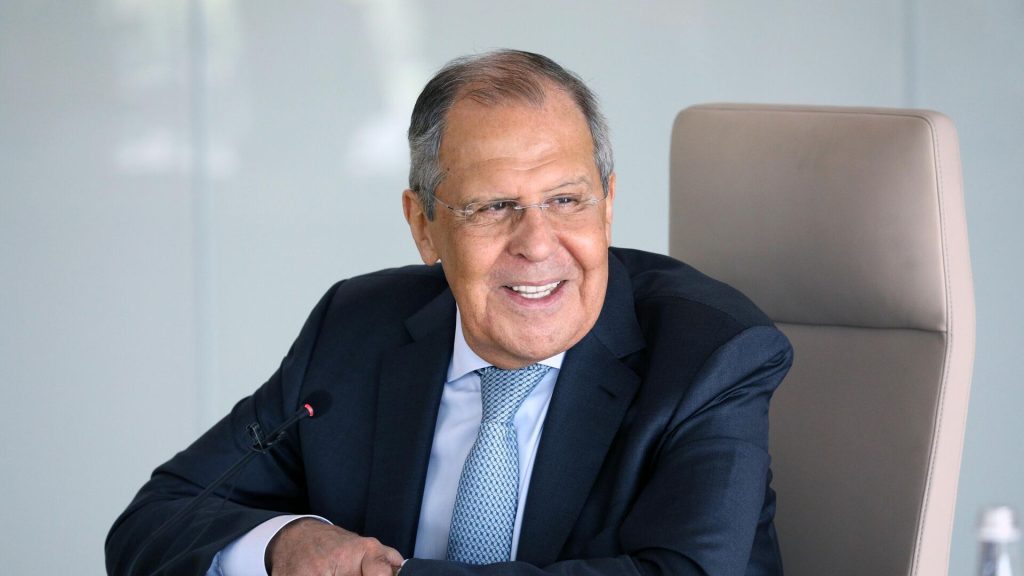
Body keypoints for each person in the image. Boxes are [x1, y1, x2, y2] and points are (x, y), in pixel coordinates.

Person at [106, 49, 792, 576]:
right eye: (493, 206)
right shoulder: (356, 328)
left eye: (566, 200)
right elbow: (157, 521)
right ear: (423, 226)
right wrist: (281, 544)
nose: (537, 244)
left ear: (607, 204)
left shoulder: (709, 355)